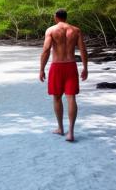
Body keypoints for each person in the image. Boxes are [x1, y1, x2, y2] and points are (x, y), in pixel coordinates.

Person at [39, 8, 88, 142]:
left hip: (57, 66)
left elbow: (46, 50)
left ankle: (60, 128)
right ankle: (71, 132)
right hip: (71, 66)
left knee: (56, 98)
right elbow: (83, 50)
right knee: (71, 98)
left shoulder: (51, 30)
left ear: (56, 17)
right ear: (65, 17)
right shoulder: (76, 30)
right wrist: (85, 68)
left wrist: (41, 69)